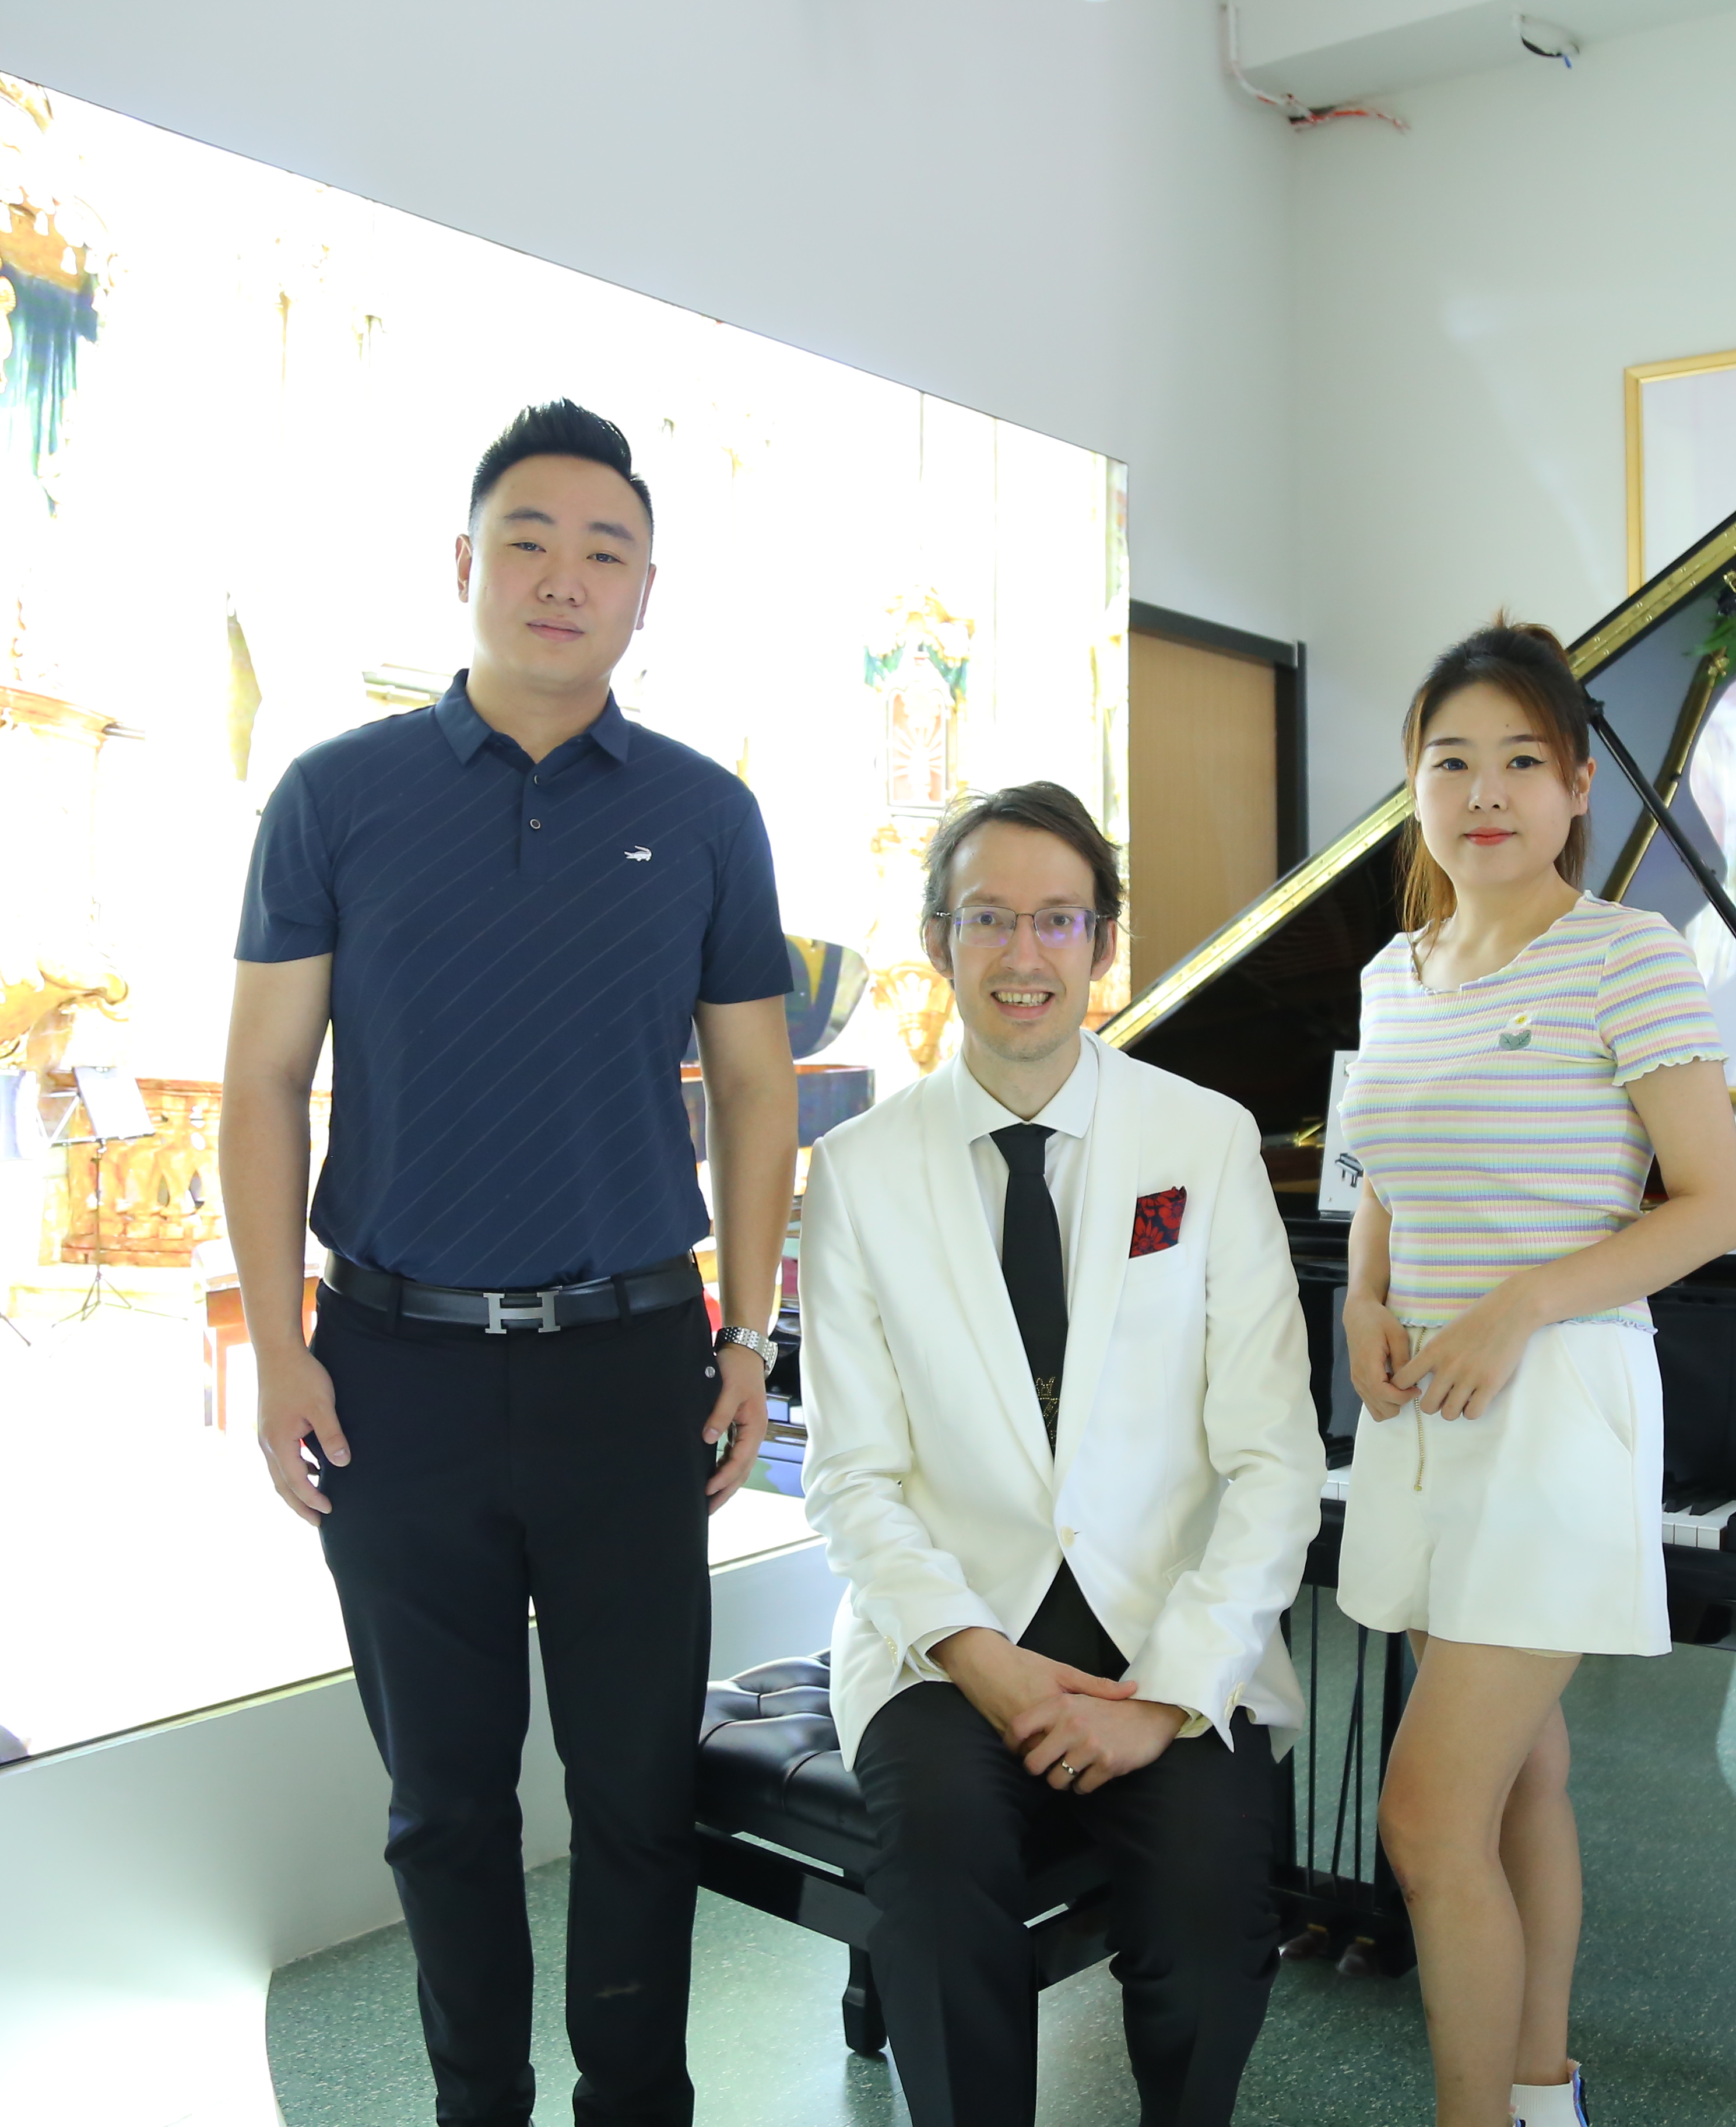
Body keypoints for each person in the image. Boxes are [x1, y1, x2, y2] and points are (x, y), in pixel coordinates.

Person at [221, 398, 800, 2126]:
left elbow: (756, 1089)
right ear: (463, 564)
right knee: (444, 1810)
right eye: (529, 541)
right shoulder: (336, 796)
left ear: (645, 595)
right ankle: (477, 2105)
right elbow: (263, 1082)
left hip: (632, 1364)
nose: (564, 577)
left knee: (637, 1798)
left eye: (605, 551)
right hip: (393, 1371)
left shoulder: (707, 814)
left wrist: (749, 1336)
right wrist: (281, 1347)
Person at [796, 782, 1329, 2127]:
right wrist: (980, 1658)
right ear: (939, 939)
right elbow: (851, 1476)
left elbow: (1274, 1458)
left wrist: (1166, 1696)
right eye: (988, 919)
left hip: (1163, 1623)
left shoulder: (1202, 1141)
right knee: (934, 1876)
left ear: (1103, 940)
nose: (1022, 953)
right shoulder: (857, 1170)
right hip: (948, 1634)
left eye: (1057, 919)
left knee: (1211, 1909)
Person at [1331, 620, 1736, 2127]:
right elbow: (1379, 1174)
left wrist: (1519, 1306)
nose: (1486, 792)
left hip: (1556, 1407)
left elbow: (1714, 1205)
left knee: (1424, 1819)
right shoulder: (1393, 974)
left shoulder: (1629, 956)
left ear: (1578, 786)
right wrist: (1363, 1300)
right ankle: (1541, 2093)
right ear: (1416, 787)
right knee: (1519, 1782)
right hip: (1427, 1418)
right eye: (1453, 762)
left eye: (1522, 761)